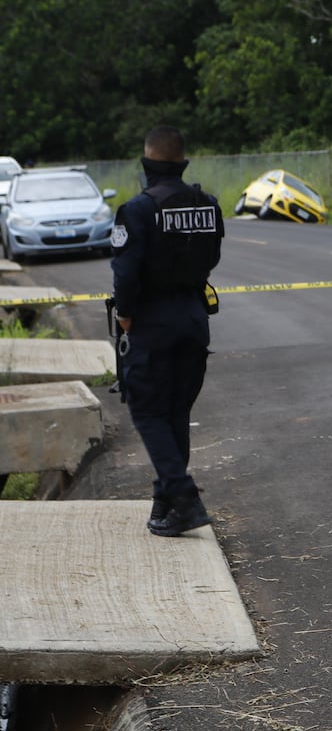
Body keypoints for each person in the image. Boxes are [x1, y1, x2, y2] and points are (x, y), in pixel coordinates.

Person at [111, 126, 224, 537]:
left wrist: (126, 315)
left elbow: (125, 274)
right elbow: (211, 258)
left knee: (147, 410)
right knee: (175, 411)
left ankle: (184, 496)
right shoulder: (208, 205)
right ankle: (166, 505)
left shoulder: (137, 210)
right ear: (182, 161)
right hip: (195, 319)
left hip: (153, 325)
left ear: (147, 163)